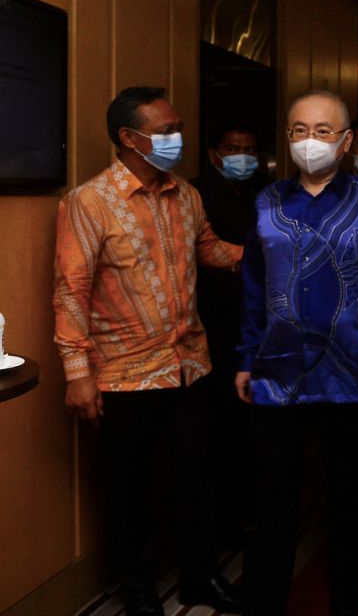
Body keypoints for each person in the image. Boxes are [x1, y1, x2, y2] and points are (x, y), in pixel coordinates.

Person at [54, 87, 244, 616]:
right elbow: (71, 289)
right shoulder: (88, 203)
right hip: (122, 374)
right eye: (164, 131)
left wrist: (272, 255)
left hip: (190, 364)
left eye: (176, 127)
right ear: (128, 138)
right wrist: (77, 374)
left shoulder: (186, 195)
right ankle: (138, 590)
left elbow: (209, 249)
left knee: (197, 480)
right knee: (129, 489)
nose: (175, 139)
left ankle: (199, 578)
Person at [236, 90, 358, 616]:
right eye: (297, 131)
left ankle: (344, 598)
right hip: (278, 370)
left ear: (345, 140)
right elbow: (251, 282)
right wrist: (245, 357)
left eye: (320, 131)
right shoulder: (266, 202)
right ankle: (264, 601)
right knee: (272, 499)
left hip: (355, 370)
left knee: (349, 498)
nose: (308, 141)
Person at [192, 122, 271, 546]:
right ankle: (221, 525)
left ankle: (248, 516)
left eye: (250, 148)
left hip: (258, 327)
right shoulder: (193, 195)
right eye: (232, 147)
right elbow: (204, 251)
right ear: (214, 153)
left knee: (252, 429)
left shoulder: (267, 194)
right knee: (215, 433)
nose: (242, 155)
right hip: (210, 327)